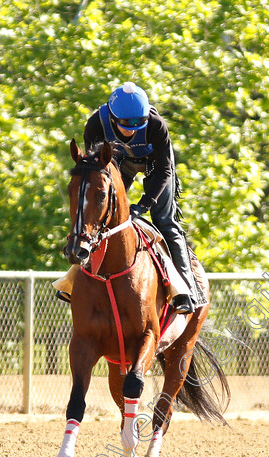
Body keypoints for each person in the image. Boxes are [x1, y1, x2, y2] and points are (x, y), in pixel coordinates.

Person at [57, 82, 196, 314]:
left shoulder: (156, 125)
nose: (131, 129)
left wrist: (144, 205)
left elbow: (165, 170)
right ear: (112, 118)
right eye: (125, 124)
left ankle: (185, 290)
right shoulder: (95, 125)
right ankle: (72, 280)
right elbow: (95, 169)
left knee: (165, 222)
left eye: (137, 123)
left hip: (156, 167)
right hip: (117, 164)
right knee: (102, 222)